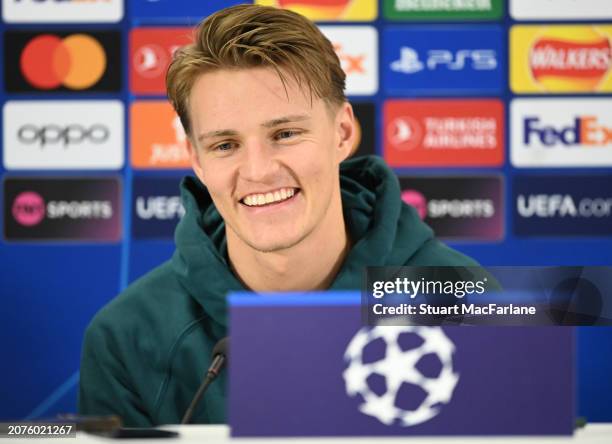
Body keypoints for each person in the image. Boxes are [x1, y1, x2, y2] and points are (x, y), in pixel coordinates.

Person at [78, 4, 478, 427]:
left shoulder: (471, 302)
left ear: (342, 133)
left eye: (285, 134)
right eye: (225, 145)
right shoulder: (126, 337)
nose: (258, 171)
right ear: (196, 159)